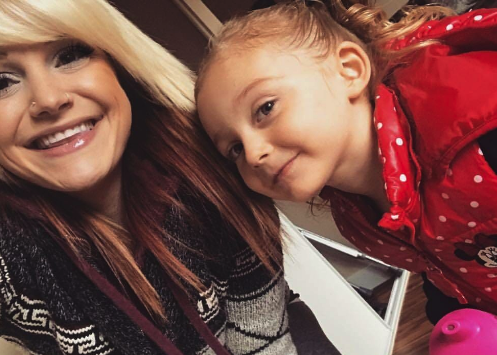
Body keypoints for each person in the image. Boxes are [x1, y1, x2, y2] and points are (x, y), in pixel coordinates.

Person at [0, 0, 419, 355]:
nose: (49, 99)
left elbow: (263, 345)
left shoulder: (204, 153)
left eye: (69, 55)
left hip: (276, 346)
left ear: (116, 64)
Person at [195, 0, 497, 326]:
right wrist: (451, 313)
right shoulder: (356, 220)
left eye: (265, 108)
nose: (253, 154)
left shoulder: (480, 140)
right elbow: (440, 264)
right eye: (235, 149)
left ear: (349, 71)